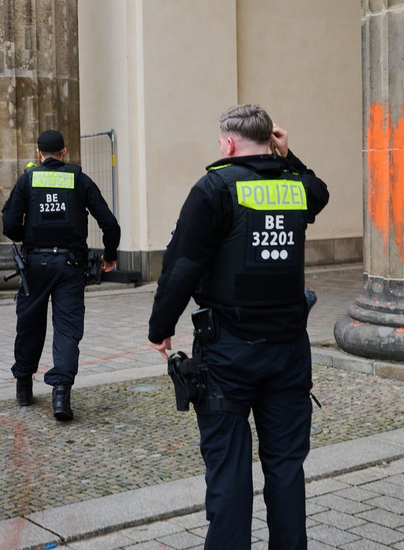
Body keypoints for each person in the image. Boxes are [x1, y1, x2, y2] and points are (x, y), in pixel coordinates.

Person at [147, 105, 329, 550]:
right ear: (269, 140)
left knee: (228, 471)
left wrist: (161, 326)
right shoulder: (293, 187)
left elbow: (182, 266)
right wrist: (289, 156)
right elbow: (320, 192)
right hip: (288, 350)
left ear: (228, 143)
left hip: (229, 351)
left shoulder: (214, 188)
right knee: (286, 467)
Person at [1, 129, 120, 421]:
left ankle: (24, 387)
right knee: (67, 329)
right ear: (64, 153)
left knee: (29, 324)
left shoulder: (28, 179)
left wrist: (25, 233)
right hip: (71, 265)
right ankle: (61, 394)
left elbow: (9, 224)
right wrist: (110, 255)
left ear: (38, 153)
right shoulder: (79, 179)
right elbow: (110, 224)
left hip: (35, 265)